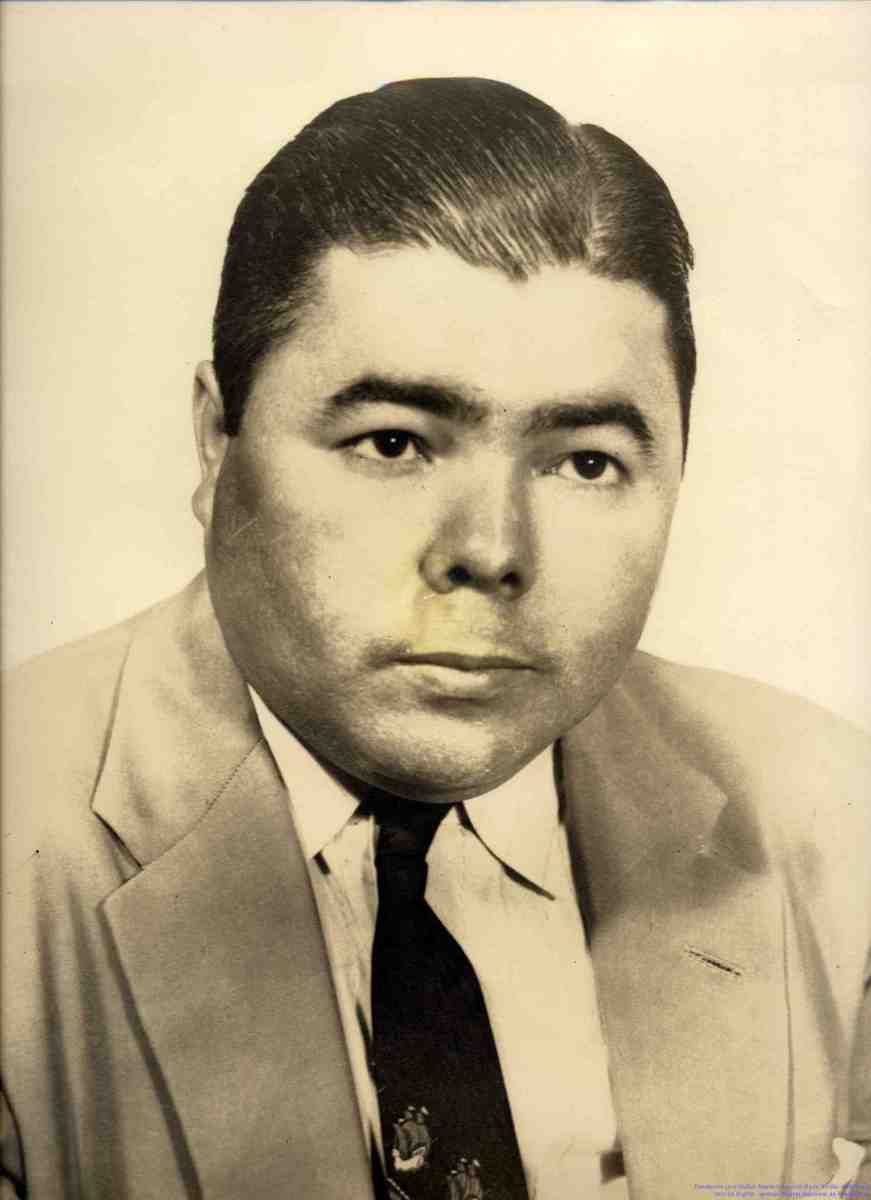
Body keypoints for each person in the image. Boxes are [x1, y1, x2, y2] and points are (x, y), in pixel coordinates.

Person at [1, 77, 868, 1200]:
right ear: (216, 442)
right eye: (394, 443)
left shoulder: (831, 820)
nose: (490, 550)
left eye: (585, 462)